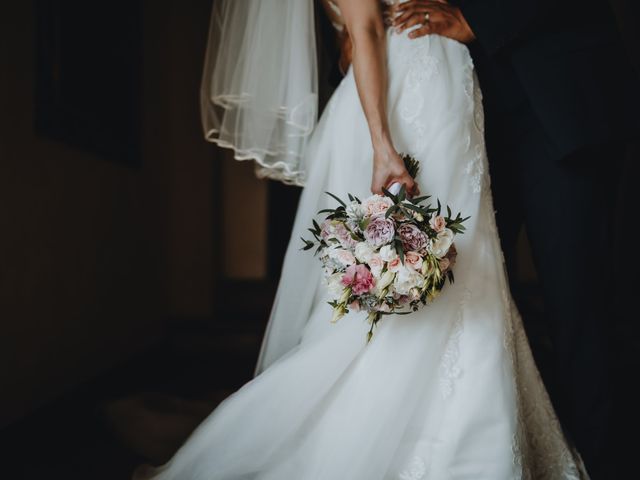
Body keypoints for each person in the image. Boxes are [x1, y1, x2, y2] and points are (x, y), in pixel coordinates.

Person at [134, 0, 593, 478]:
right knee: (427, 277)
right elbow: (366, 27)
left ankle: (461, 427)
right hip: (407, 100)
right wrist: (382, 146)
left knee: (464, 268)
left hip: (435, 86)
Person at [375, 2, 638, 478]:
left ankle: (605, 465)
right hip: (453, 106)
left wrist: (481, 18)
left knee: (579, 305)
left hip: (556, 91)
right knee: (473, 308)